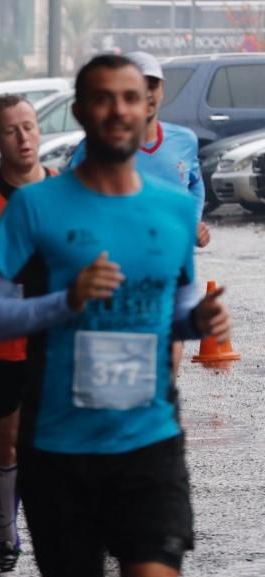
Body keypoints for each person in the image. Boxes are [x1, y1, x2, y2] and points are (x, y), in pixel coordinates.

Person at [0, 55, 232, 577]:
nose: (118, 110)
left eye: (130, 98)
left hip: (150, 437)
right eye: (103, 98)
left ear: (148, 108)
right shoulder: (38, 207)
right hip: (61, 444)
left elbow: (182, 302)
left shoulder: (172, 207)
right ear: (81, 111)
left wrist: (200, 321)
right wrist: (67, 300)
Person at [68, 50, 210, 378]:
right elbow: (71, 195)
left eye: (153, 84)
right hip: (115, 267)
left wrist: (192, 224)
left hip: (170, 262)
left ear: (162, 91)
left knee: (167, 359)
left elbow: (194, 185)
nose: (147, 91)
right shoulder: (95, 146)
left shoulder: (184, 140)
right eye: (138, 83)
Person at [0, 94, 58, 577]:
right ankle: (8, 541)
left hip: (59, 338)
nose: (23, 138)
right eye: (11, 131)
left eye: (29, 127)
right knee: (8, 445)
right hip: (2, 341)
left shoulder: (66, 191)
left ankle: (62, 537)